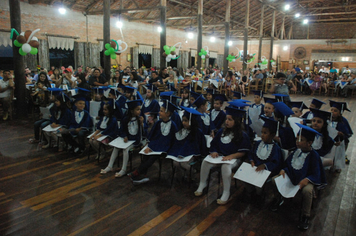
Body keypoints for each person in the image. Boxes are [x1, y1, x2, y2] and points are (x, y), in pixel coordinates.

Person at [270, 124, 326, 230]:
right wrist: (283, 170)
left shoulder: (314, 156)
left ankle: (305, 216)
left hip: (306, 180)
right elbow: (287, 164)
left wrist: (307, 179)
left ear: (309, 143)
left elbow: (316, 173)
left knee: (307, 191)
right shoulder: (296, 152)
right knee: (274, 180)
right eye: (297, 139)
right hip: (292, 176)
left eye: (301, 140)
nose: (297, 141)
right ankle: (278, 199)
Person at [194, 107, 251, 204]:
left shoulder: (242, 135)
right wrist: (213, 151)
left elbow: (243, 152)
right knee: (205, 161)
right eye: (226, 119)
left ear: (236, 121)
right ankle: (202, 184)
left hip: (234, 160)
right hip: (220, 157)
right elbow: (214, 144)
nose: (227, 121)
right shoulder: (221, 132)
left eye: (230, 119)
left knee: (226, 167)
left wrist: (231, 156)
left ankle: (226, 192)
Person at [128, 101, 178, 184]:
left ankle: (137, 172)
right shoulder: (158, 123)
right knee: (146, 154)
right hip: (156, 146)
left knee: (152, 157)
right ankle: (143, 175)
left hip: (166, 148)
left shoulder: (173, 125)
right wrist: (149, 146)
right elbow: (152, 136)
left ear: (168, 113)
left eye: (161, 111)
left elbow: (170, 142)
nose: (159, 112)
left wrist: (154, 148)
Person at [246, 117, 283, 205]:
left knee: (258, 181)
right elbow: (251, 153)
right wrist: (251, 160)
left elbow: (276, 163)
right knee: (244, 177)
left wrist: (265, 166)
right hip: (255, 168)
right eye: (262, 132)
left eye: (265, 133)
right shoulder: (258, 143)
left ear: (272, 135)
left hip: (266, 171)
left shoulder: (275, 148)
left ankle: (259, 195)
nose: (262, 135)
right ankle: (251, 192)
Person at [168, 106, 207, 175]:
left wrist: (184, 153)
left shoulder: (197, 132)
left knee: (184, 164)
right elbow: (178, 144)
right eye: (183, 120)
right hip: (182, 153)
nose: (183, 123)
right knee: (175, 163)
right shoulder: (182, 131)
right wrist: (179, 152)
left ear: (191, 121)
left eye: (186, 121)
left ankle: (193, 173)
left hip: (192, 154)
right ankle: (184, 176)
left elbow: (195, 147)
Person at [329, 100, 353, 168]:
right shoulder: (327, 119)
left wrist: (341, 135)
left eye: (335, 111)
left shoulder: (343, 121)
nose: (332, 112)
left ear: (340, 113)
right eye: (332, 110)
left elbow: (347, 134)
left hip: (339, 142)